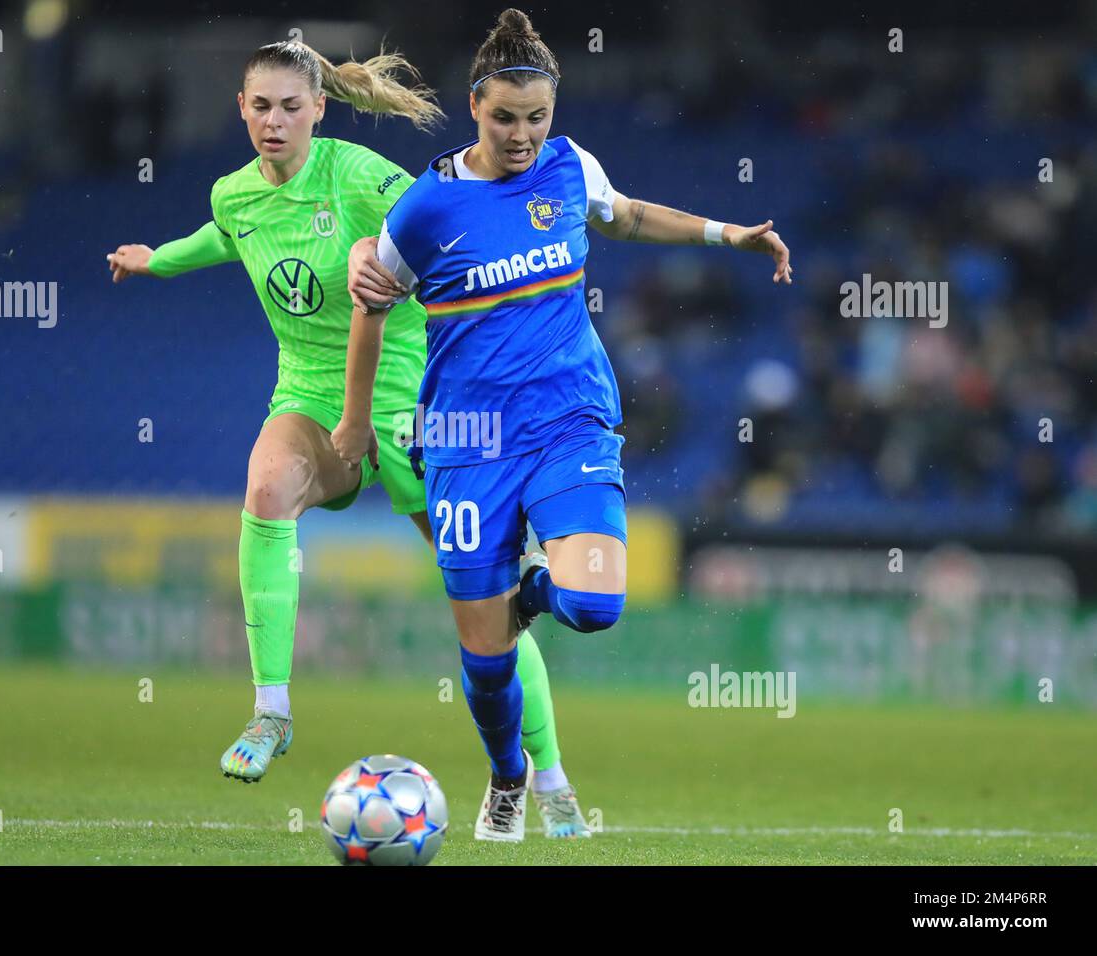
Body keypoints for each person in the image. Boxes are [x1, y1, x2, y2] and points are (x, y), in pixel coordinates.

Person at [106, 38, 593, 839]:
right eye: (260, 106)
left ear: (318, 109)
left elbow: (452, 220)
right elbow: (219, 239)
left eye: (291, 107)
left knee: (489, 597)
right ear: (241, 109)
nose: (274, 121)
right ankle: (271, 712)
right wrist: (155, 260)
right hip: (309, 399)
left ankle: (549, 777)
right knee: (266, 490)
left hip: (414, 406)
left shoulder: (362, 178)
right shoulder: (237, 195)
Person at [334, 8, 793, 841]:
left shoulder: (567, 167)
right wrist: (356, 421)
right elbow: (371, 306)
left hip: (569, 420)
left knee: (593, 606)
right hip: (467, 441)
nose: (521, 134)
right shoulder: (428, 207)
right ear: (475, 106)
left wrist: (729, 233)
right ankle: (510, 775)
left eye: (537, 117)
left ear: (554, 112)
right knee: (485, 661)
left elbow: (625, 213)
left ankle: (532, 586)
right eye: (505, 117)